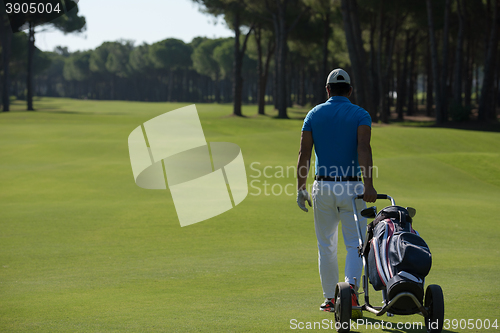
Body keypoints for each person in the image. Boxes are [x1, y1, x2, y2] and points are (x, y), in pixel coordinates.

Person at [296, 68, 377, 316]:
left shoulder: (313, 114)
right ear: (350, 90)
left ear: (328, 89)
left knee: (326, 245)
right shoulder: (360, 114)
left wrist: (300, 188)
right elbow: (363, 147)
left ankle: (332, 299)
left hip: (323, 186)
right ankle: (349, 294)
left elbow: (304, 153)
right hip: (353, 187)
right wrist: (370, 183)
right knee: (355, 243)